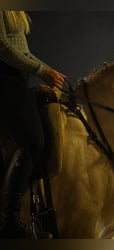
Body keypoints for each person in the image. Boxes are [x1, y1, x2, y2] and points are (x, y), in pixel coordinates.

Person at [0, 11, 66, 238]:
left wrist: (51, 73)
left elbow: (22, 50)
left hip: (16, 77)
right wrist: (42, 71)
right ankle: (9, 221)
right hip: (4, 78)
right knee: (32, 141)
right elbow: (3, 47)